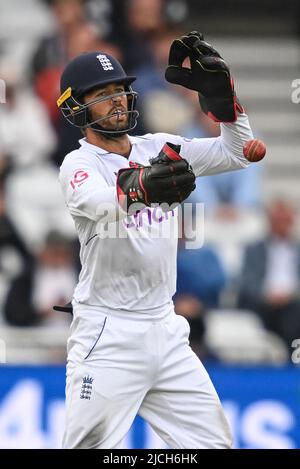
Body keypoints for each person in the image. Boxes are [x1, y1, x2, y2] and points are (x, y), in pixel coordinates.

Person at [57, 31, 254, 449]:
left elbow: (237, 153)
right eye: (101, 93)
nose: (116, 100)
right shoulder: (79, 162)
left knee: (214, 446)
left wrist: (226, 107)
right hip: (107, 333)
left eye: (120, 90)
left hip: (165, 329)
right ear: (75, 107)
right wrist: (142, 185)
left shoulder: (158, 146)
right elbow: (97, 203)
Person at [238, 198, 300, 348]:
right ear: (270, 222)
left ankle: (289, 361)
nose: (282, 225)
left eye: (285, 220)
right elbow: (247, 280)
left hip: (293, 301)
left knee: (293, 314)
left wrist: (290, 295)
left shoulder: (297, 249)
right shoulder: (254, 249)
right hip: (262, 302)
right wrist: (266, 294)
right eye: (278, 220)